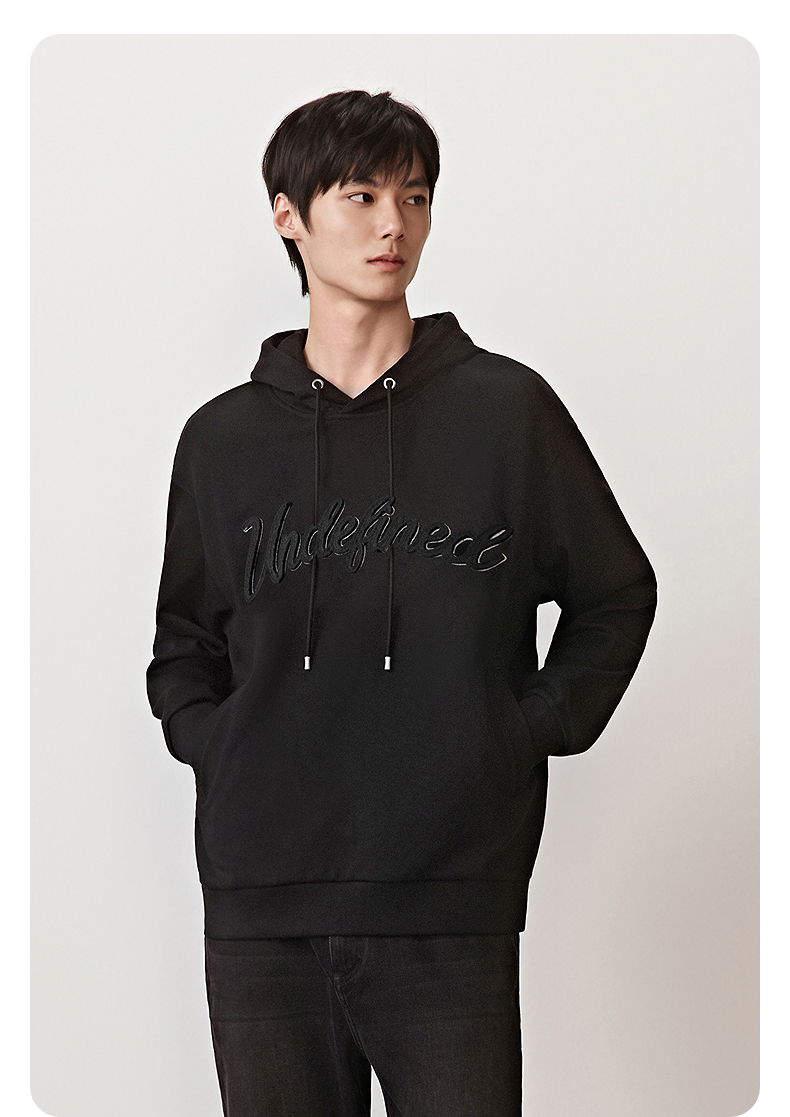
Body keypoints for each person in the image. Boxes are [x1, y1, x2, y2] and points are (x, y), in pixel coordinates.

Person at [146, 89, 657, 1117]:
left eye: (415, 197)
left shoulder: (505, 411)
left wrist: (518, 731)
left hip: (450, 897)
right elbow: (183, 642)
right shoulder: (223, 440)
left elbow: (615, 591)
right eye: (362, 196)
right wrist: (222, 743)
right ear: (288, 215)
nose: (395, 225)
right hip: (261, 902)